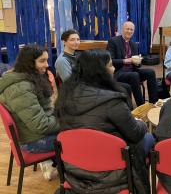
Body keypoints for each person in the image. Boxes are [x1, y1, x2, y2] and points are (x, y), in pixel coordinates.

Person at [55, 49, 154, 194]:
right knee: (149, 137)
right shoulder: (112, 101)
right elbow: (135, 134)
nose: (114, 69)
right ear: (100, 71)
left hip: (75, 172)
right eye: (110, 65)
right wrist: (140, 122)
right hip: (113, 175)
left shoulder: (64, 97)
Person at [0, 45, 59, 180]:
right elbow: (40, 125)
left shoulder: (27, 79)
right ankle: (73, 176)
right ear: (29, 63)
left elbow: (42, 113)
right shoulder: (20, 88)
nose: (47, 65)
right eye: (42, 61)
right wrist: (66, 120)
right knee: (75, 134)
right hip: (34, 140)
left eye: (47, 60)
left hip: (33, 134)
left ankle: (59, 167)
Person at [107, 21, 158, 106]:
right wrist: (126, 60)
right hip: (118, 72)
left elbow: (138, 65)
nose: (129, 31)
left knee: (151, 72)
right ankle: (141, 105)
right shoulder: (113, 41)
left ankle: (153, 102)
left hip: (132, 70)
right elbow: (110, 61)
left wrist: (138, 62)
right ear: (123, 29)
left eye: (132, 30)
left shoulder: (134, 45)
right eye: (128, 29)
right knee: (134, 75)